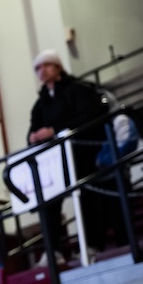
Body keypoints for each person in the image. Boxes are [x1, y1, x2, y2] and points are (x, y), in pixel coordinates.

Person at [27, 50, 105, 259]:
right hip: (55, 159)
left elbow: (90, 117)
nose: (42, 71)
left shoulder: (78, 89)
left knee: (87, 197)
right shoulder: (40, 102)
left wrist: (55, 130)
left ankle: (92, 244)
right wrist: (33, 137)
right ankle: (53, 250)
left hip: (82, 153)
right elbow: (33, 127)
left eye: (46, 66)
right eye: (38, 68)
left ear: (58, 67)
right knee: (49, 203)